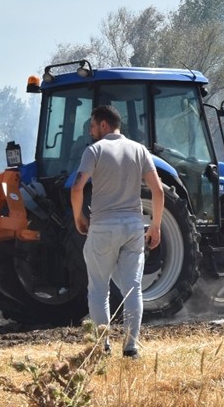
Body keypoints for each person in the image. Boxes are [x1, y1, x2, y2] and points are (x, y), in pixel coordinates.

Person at [70, 104, 164, 357]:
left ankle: (103, 346)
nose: (90, 131)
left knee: (99, 289)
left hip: (103, 226)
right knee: (133, 287)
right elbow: (158, 190)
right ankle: (131, 347)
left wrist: (78, 216)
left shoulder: (94, 151)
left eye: (92, 126)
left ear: (103, 125)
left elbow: (77, 188)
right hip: (133, 226)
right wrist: (155, 225)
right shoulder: (139, 150)